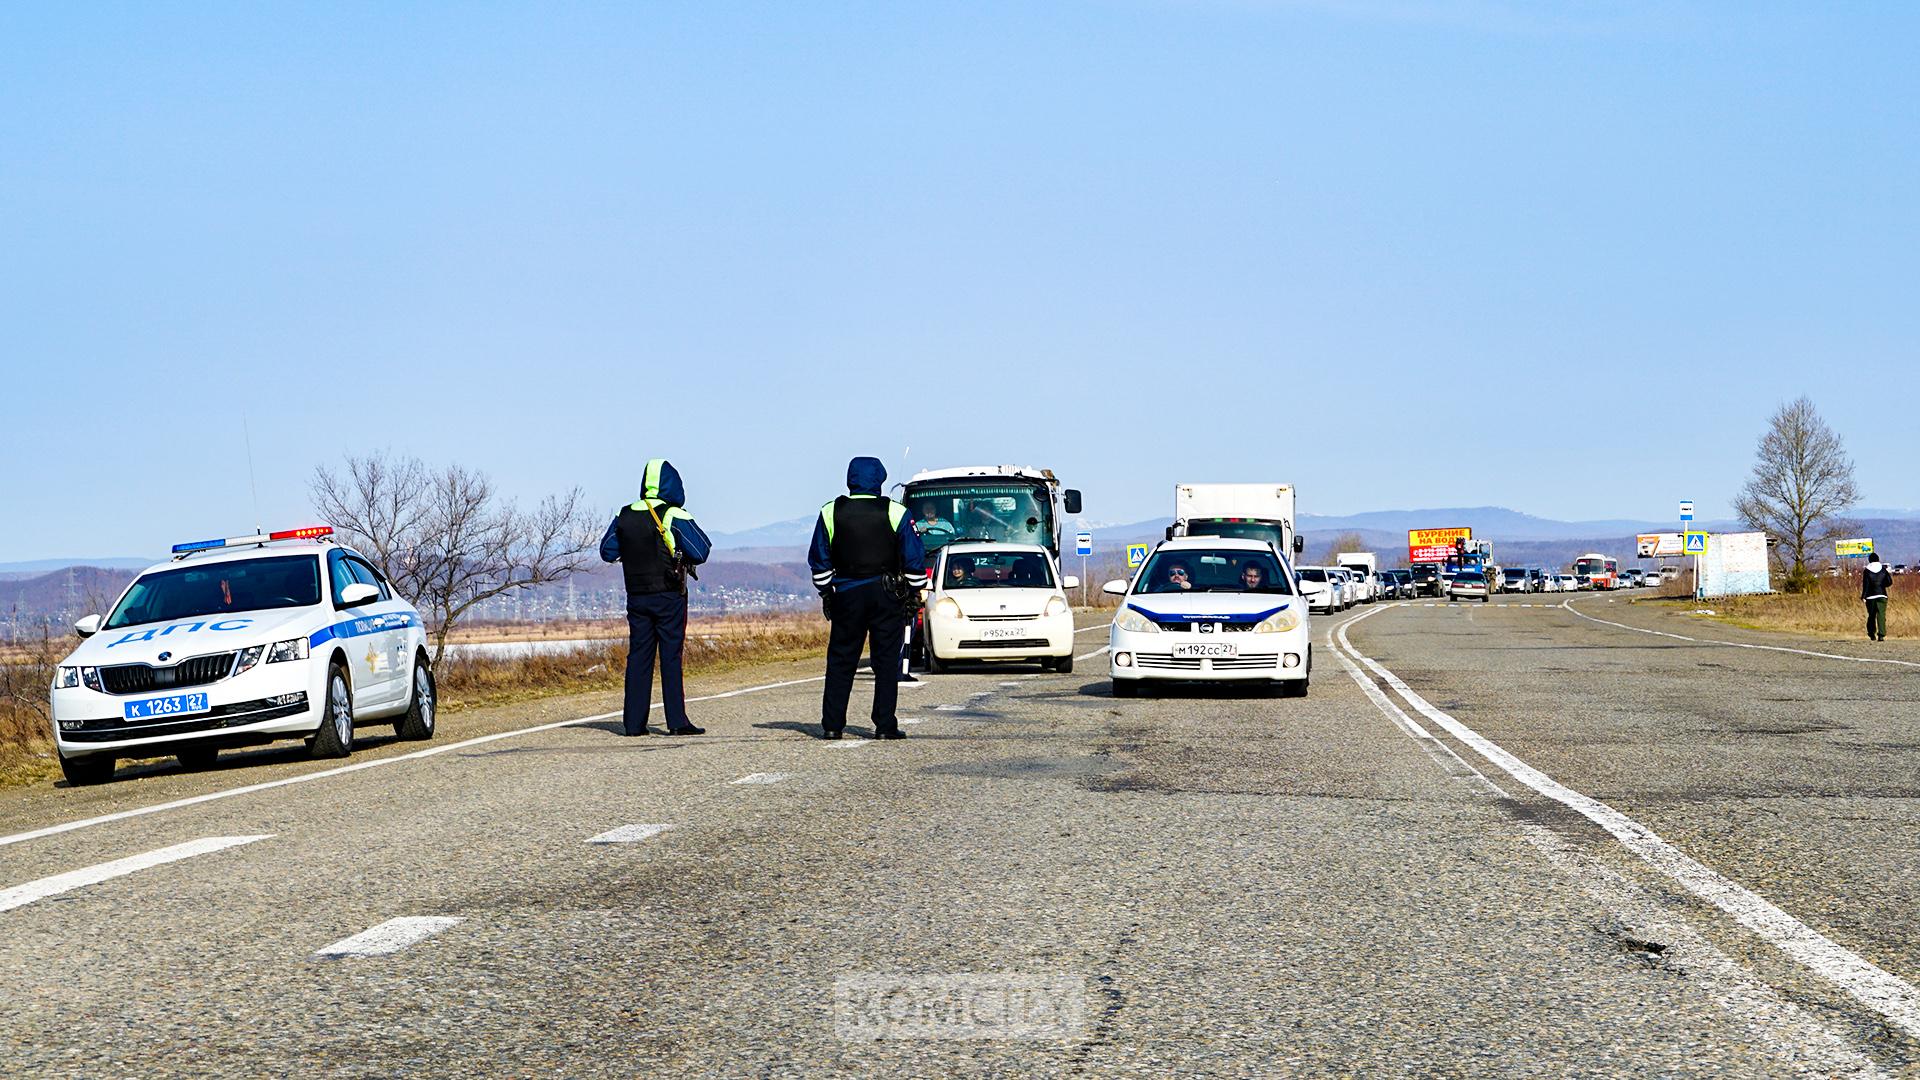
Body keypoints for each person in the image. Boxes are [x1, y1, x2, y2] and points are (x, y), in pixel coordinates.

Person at [808, 456, 927, 740]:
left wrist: (827, 592)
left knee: (840, 660)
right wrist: (913, 592)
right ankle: (885, 725)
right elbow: (914, 558)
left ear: (850, 479)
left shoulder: (830, 511)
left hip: (846, 593)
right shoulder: (896, 512)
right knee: (886, 661)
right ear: (880, 480)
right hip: (886, 594)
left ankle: (833, 725)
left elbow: (819, 560)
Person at [599, 459, 712, 736]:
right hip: (668, 595)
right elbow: (701, 549)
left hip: (636, 596)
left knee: (638, 657)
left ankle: (634, 724)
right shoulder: (673, 514)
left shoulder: (624, 514)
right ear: (672, 484)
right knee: (670, 657)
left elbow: (606, 551)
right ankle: (677, 721)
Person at [1862, 551, 1892, 642]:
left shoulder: (1867, 570)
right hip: (1882, 595)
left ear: (1869, 560)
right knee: (1881, 615)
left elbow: (1865, 585)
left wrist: (1864, 596)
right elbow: (1890, 582)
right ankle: (1881, 635)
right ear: (1878, 559)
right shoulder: (1883, 569)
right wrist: (1882, 585)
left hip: (1870, 596)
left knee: (1871, 615)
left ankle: (1871, 634)